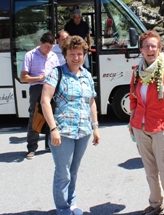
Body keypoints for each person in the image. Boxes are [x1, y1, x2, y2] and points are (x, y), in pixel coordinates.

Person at [41, 35, 100, 215]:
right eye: (72, 54)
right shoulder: (56, 73)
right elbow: (45, 101)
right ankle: (63, 207)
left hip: (83, 131)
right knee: (63, 172)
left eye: (80, 54)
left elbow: (91, 102)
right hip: (62, 131)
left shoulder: (87, 75)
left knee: (73, 170)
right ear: (65, 55)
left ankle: (72, 202)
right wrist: (53, 129)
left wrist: (95, 127)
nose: (76, 57)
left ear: (84, 55)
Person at [129, 30, 164, 215]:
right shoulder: (138, 70)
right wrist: (132, 120)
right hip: (140, 126)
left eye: (154, 46)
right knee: (150, 170)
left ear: (159, 48)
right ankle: (155, 203)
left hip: (160, 126)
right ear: (141, 50)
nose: (150, 49)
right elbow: (134, 98)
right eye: (146, 46)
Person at [20, 32, 59, 159]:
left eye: (51, 47)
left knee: (51, 115)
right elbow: (23, 78)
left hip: (51, 87)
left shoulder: (53, 56)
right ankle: (32, 147)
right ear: (40, 43)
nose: (48, 50)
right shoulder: (30, 55)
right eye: (47, 46)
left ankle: (50, 144)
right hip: (37, 87)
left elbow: (58, 73)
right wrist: (39, 78)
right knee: (35, 116)